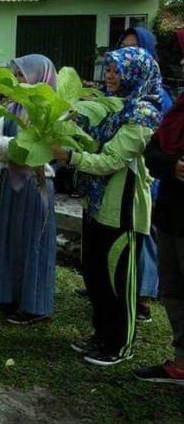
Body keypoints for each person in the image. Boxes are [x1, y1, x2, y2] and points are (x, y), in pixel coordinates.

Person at [52, 46, 163, 366]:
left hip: (123, 212)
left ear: (135, 74)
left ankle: (120, 345)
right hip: (97, 204)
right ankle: (101, 335)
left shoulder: (142, 114)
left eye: (117, 70)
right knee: (96, 276)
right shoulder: (108, 107)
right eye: (109, 70)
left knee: (118, 283)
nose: (110, 76)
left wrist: (70, 157)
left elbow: (112, 160)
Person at [0, 54, 57, 324]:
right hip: (10, 183)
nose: (18, 80)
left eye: (23, 75)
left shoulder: (49, 111)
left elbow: (26, 151)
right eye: (17, 75)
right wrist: (3, 145)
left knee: (31, 244)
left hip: (33, 185)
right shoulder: (14, 107)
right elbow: (1, 142)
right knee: (8, 239)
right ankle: (7, 295)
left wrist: (0, 144)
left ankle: (33, 307)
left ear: (40, 77)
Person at [133, 53, 184, 384]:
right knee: (175, 291)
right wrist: (172, 165)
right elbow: (153, 152)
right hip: (172, 214)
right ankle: (181, 363)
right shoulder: (179, 108)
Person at [117, 27, 174, 321]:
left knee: (145, 234)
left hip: (148, 178)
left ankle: (144, 297)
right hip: (119, 179)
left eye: (136, 50)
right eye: (124, 50)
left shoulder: (158, 96)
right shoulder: (118, 92)